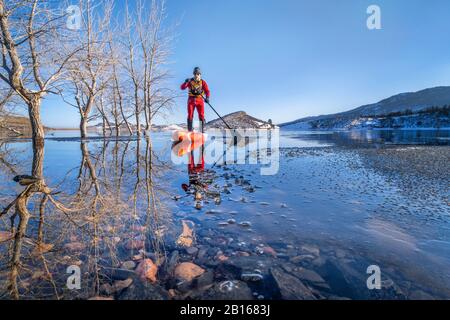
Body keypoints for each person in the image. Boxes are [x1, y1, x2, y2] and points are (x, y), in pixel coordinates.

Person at [181, 67, 210, 133]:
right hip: (191, 100)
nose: (196, 75)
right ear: (193, 74)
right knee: (190, 114)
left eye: (198, 74)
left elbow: (207, 91)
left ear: (200, 74)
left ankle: (201, 130)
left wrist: (207, 97)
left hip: (200, 100)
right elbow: (182, 88)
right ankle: (190, 130)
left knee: (201, 115)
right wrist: (185, 82)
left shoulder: (203, 82)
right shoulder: (190, 81)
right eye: (195, 74)